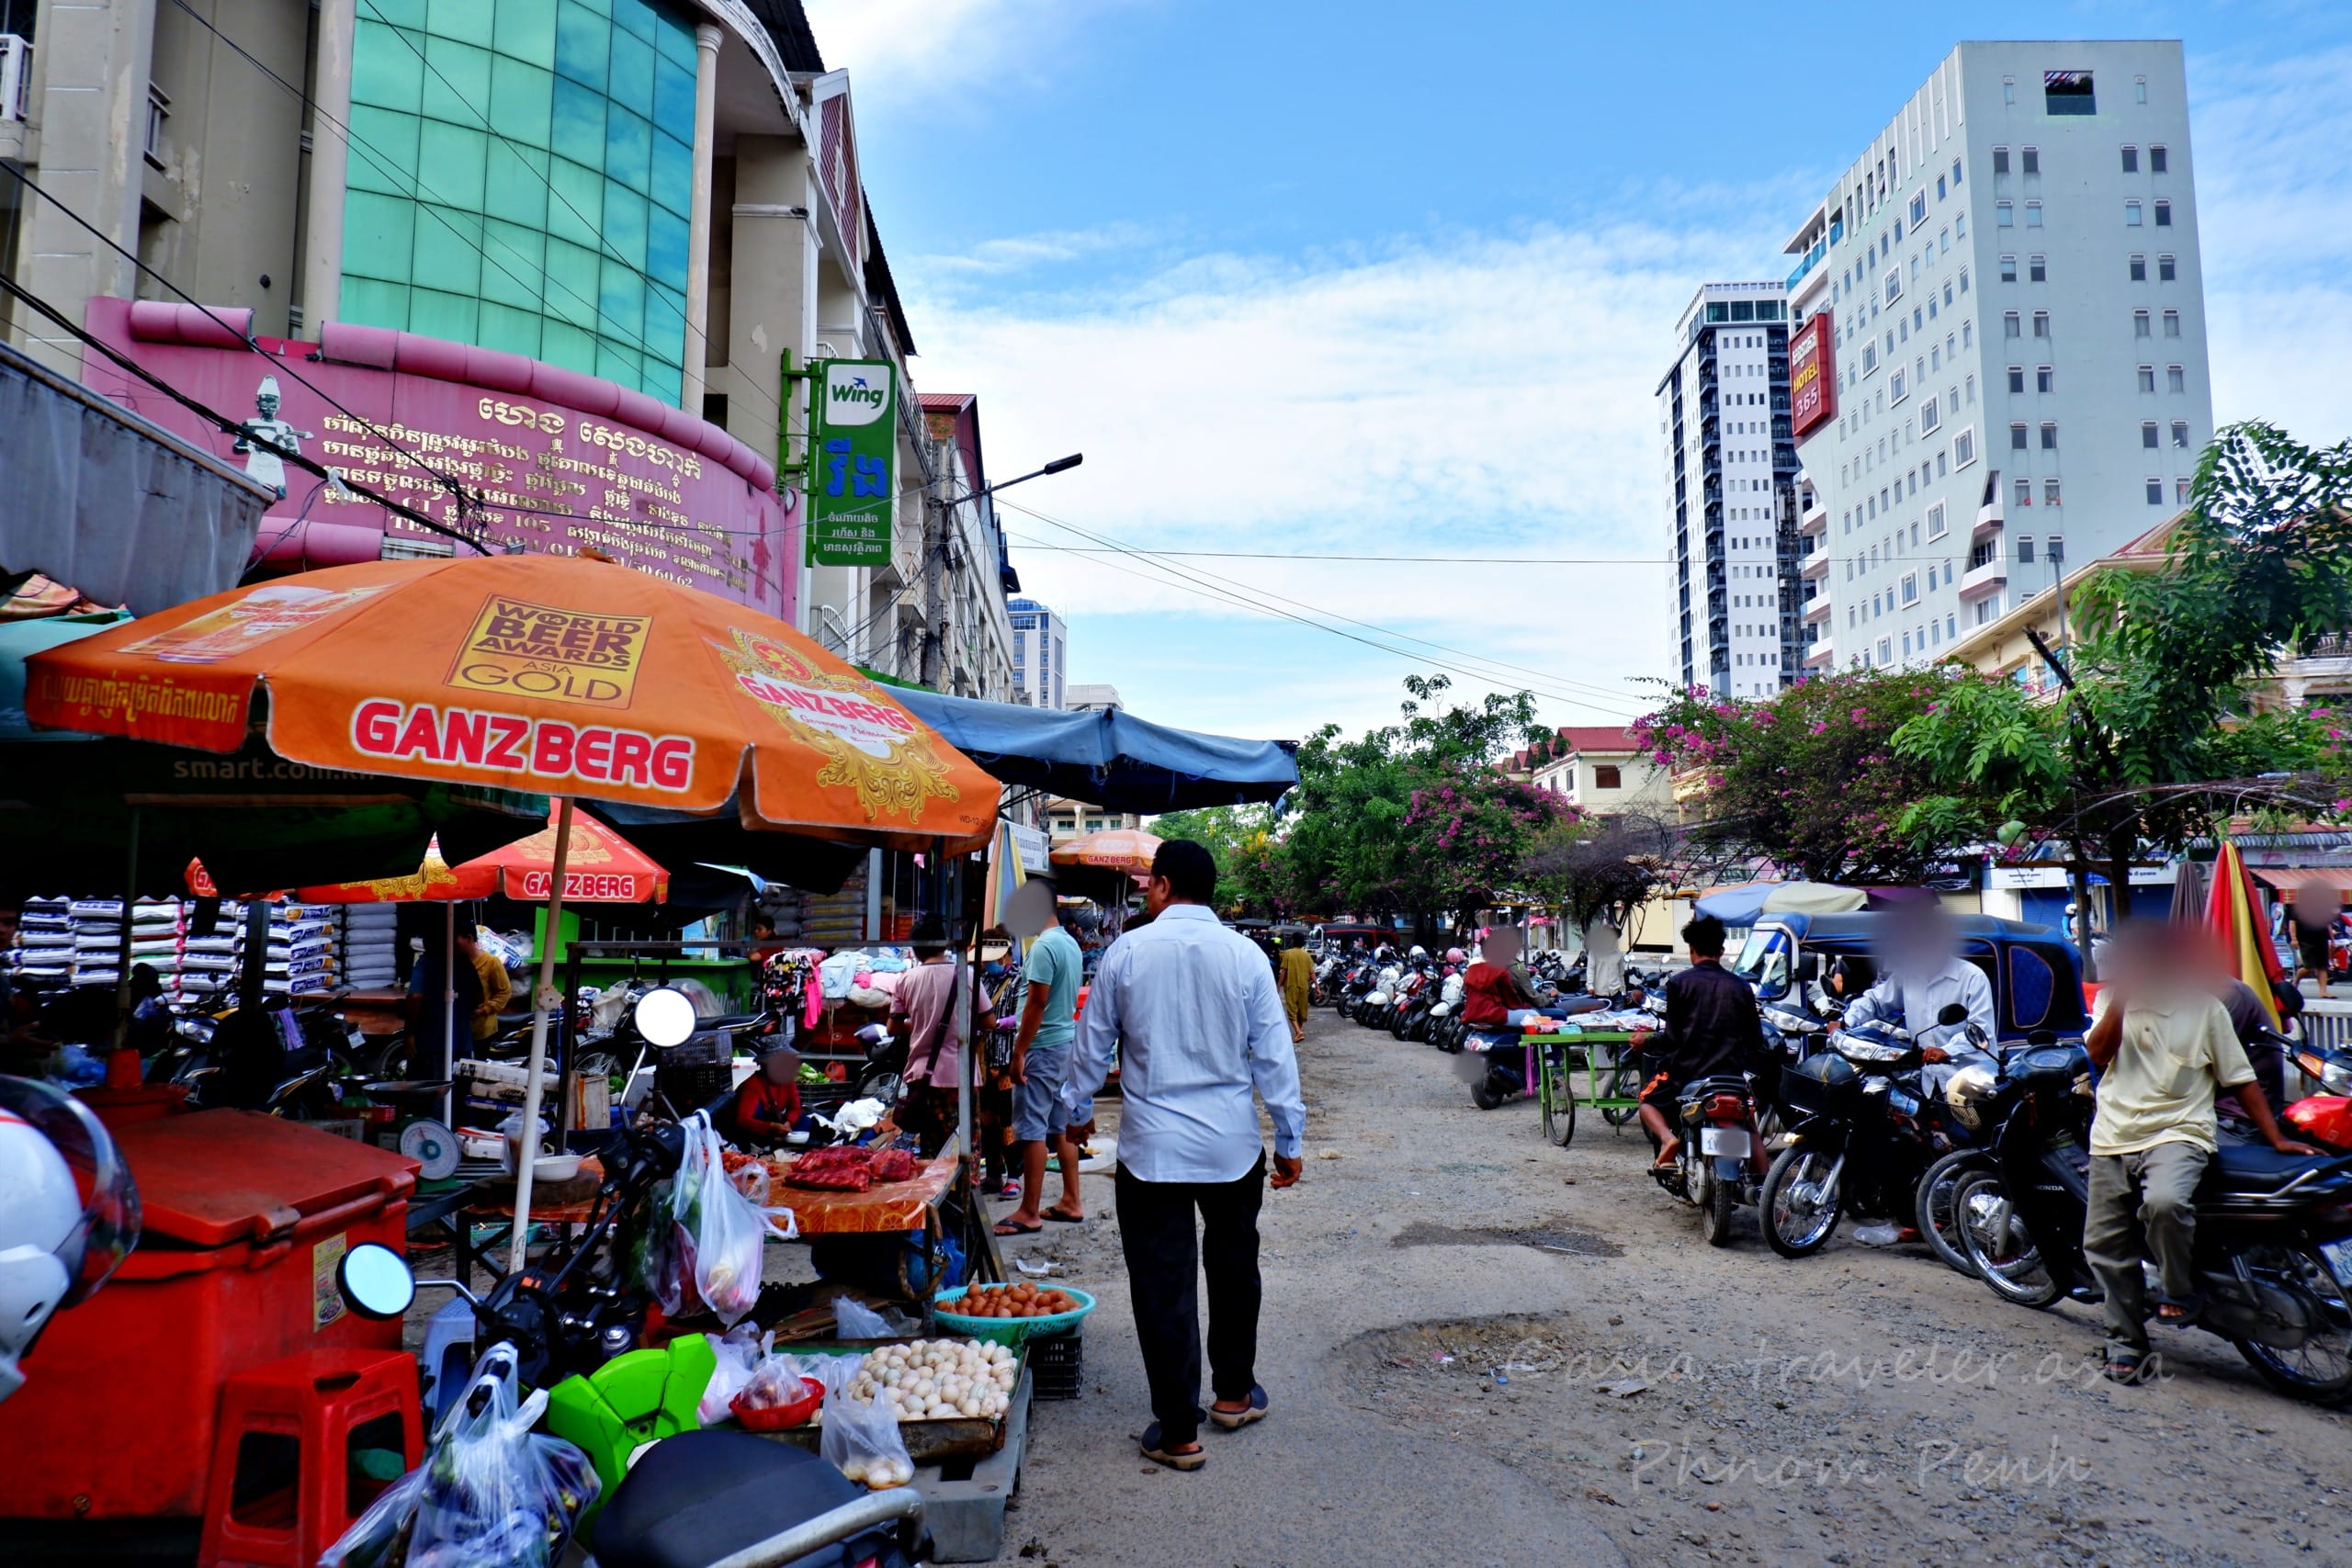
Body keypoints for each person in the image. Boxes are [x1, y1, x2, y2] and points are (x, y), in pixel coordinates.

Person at [1063, 840, 1304, 1472]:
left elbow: (1092, 1048)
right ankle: (1231, 1395)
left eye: (1149, 883)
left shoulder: (1127, 952)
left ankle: (1178, 1432)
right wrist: (1290, 1141)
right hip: (1231, 1146)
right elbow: (1274, 1055)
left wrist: (1076, 1109)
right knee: (1233, 1269)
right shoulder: (1246, 956)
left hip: (1152, 1152)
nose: (1145, 892)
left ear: (1166, 885)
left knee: (1162, 1283)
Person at [2084, 921, 2316, 1383]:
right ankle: (2126, 1342)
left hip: (2179, 1131)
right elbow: (2099, 1054)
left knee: (2165, 1204)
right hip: (2112, 1135)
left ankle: (2178, 1286)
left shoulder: (2205, 1008)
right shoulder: (2112, 1001)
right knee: (2105, 1246)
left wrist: (2275, 1137)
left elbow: (2240, 1078)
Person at [1638, 915, 1768, 1173]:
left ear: (1691, 950)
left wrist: (1646, 1043)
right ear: (1721, 951)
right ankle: (1766, 1193)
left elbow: (1672, 1039)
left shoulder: (1679, 984)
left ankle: (1668, 1138)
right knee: (1750, 1128)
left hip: (1686, 1075)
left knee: (1646, 1101)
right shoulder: (1741, 987)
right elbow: (1755, 1040)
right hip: (1729, 1076)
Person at [1838, 900, 1997, 1091]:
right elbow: (1875, 1000)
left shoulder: (1972, 977)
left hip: (1969, 1080)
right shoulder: (1908, 972)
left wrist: (1946, 1050)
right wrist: (1844, 1022)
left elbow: (1982, 1030)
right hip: (1929, 1078)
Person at [995, 910, 1087, 1235]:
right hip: (1063, 1043)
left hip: (1042, 1047)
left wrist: (1019, 1052)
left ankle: (1028, 1211)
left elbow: (1037, 1001)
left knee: (1031, 1128)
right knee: (1061, 1126)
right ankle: (1071, 1200)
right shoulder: (1069, 943)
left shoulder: (1044, 947)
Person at [889, 919, 986, 1156]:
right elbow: (989, 1021)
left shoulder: (906, 979)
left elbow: (893, 1027)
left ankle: (937, 1191)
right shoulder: (967, 974)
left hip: (923, 1075)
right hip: (961, 1074)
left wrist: (918, 1024)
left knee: (931, 1147)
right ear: (944, 944)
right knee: (963, 1143)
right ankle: (965, 1188)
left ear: (916, 948)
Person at [728, 1043, 803, 1146]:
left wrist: (788, 1123)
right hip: (756, 1129)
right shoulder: (753, 1085)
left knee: (806, 1122)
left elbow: (795, 1108)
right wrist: (771, 1127)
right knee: (758, 1111)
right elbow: (743, 1120)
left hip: (777, 1123)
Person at [456, 928, 512, 1043]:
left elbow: (504, 992)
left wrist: (483, 1010)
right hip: (457, 1028)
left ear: (469, 939)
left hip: (482, 1030)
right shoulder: (453, 962)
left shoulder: (491, 962)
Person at [2290, 891, 2338, 998]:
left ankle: (2323, 991)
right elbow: (2292, 923)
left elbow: (2328, 925)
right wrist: (2294, 938)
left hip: (2321, 939)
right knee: (2309, 966)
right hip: (2305, 940)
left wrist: (2333, 940)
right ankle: (2295, 981)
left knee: (2322, 966)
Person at [1277, 932, 1314, 1043]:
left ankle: (1298, 1032)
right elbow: (1312, 973)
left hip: (1291, 986)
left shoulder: (1288, 954)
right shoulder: (1306, 955)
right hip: (1304, 986)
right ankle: (1298, 1032)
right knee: (1301, 1012)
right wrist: (1317, 987)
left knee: (1292, 1011)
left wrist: (1278, 986)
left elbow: (1283, 972)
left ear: (1293, 941)